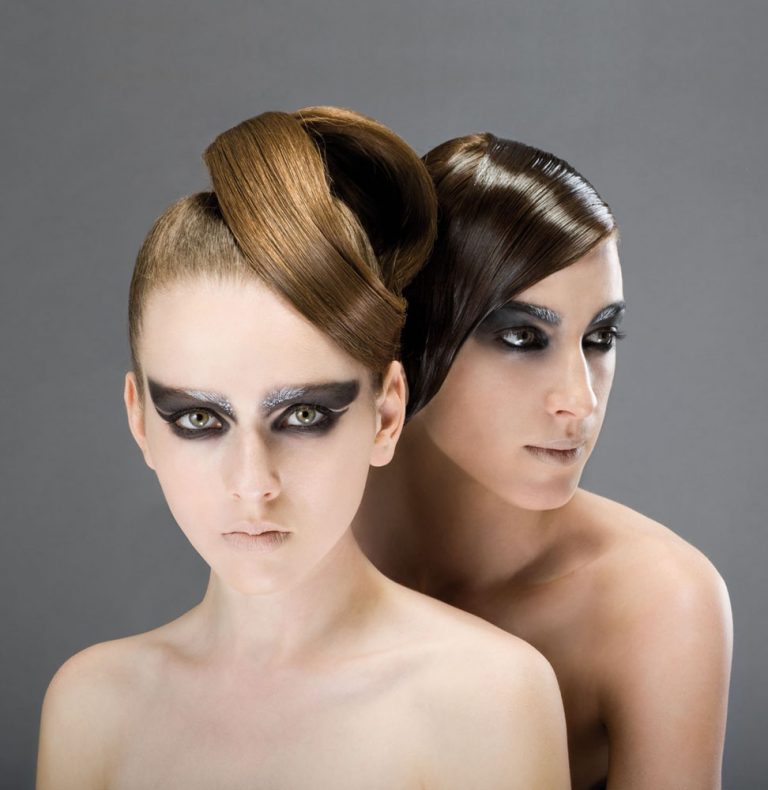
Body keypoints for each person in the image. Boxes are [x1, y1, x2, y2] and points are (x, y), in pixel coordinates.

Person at [36, 110, 569, 789]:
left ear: (386, 415)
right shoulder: (91, 706)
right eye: (199, 418)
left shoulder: (490, 700)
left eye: (304, 415)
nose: (253, 483)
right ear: (141, 421)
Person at [354, 133, 733, 790]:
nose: (579, 401)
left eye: (600, 338)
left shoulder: (656, 603)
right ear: (413, 335)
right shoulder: (294, 537)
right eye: (523, 337)